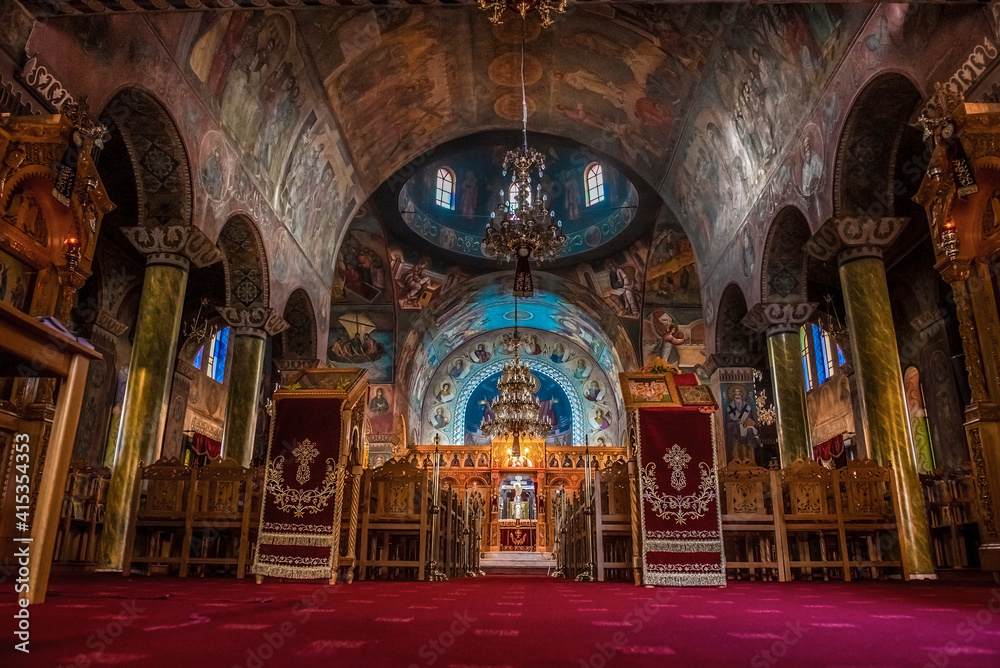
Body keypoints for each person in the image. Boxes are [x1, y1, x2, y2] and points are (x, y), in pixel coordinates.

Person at [726, 386, 761, 462]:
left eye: (739, 394)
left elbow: (752, 419)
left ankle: (751, 458)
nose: (737, 396)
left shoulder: (747, 407)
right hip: (735, 430)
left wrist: (748, 422)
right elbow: (728, 422)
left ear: (742, 395)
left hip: (746, 428)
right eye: (736, 395)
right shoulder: (730, 408)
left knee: (750, 430)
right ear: (733, 395)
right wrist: (736, 423)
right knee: (736, 430)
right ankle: (736, 458)